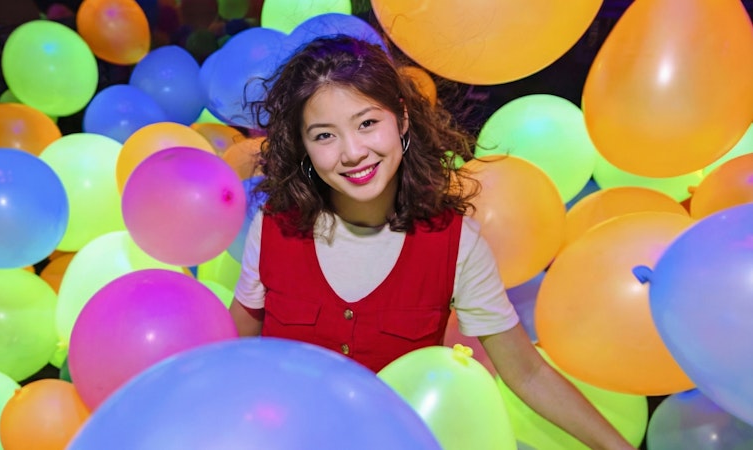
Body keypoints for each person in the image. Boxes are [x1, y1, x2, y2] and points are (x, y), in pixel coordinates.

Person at [228, 34, 634, 450]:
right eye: (324, 136)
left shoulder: (455, 243)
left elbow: (527, 374)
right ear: (304, 147)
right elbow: (228, 355)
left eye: (367, 123)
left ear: (401, 121)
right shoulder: (275, 227)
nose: (352, 152)